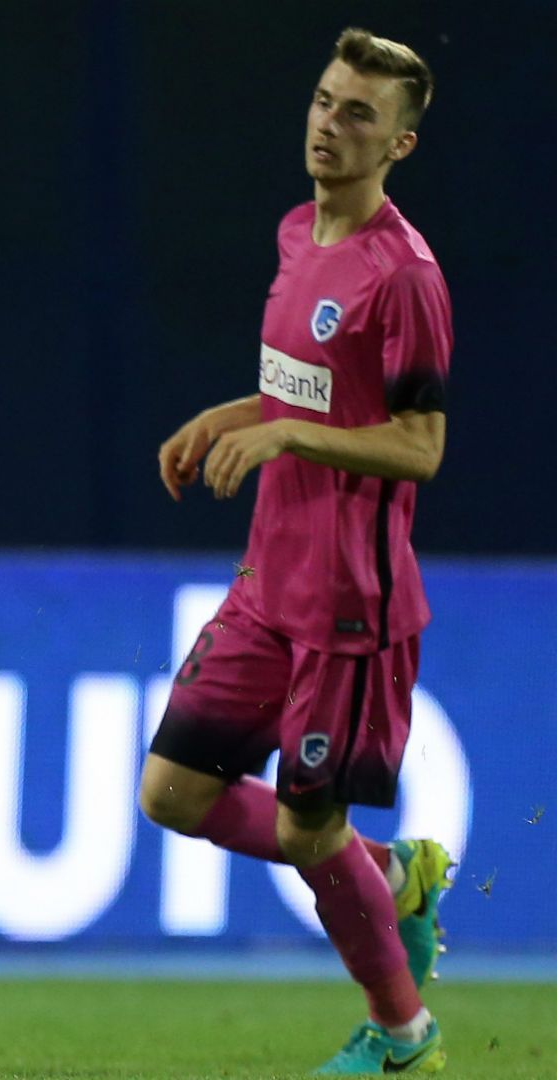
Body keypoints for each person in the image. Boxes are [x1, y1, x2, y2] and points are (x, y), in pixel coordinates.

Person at [142, 28, 455, 1075]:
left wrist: (281, 434)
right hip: (265, 586)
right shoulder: (297, 235)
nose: (331, 124)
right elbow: (306, 393)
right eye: (326, 101)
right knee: (172, 795)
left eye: (360, 114)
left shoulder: (404, 277)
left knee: (313, 831)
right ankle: (394, 875)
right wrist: (231, 417)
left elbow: (419, 445)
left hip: (348, 609)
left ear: (400, 144)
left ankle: (404, 1033)